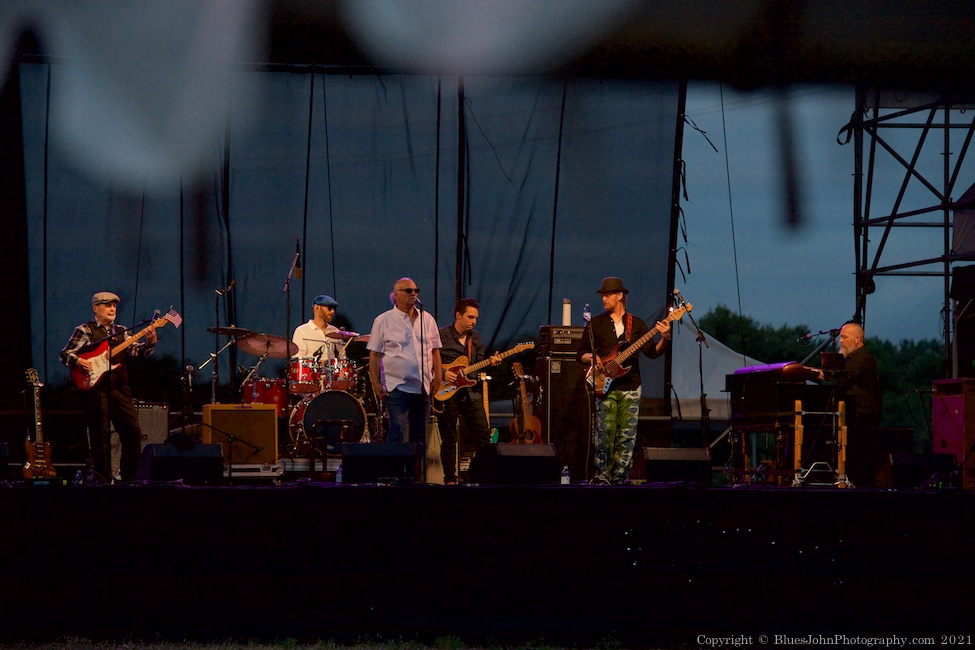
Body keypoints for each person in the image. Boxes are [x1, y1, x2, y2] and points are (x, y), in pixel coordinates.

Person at [576, 277, 672, 484]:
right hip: (604, 388)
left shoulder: (636, 324)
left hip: (631, 387)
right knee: (604, 437)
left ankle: (620, 481)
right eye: (603, 295)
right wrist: (592, 358)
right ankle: (602, 479)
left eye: (608, 295)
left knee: (627, 438)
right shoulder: (596, 324)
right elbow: (580, 354)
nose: (604, 299)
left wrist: (664, 338)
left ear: (620, 296)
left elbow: (653, 353)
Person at [59, 291, 157, 483]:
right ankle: (102, 479)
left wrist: (150, 341)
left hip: (119, 387)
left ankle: (129, 478)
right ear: (95, 308)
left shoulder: (121, 331)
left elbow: (137, 351)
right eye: (107, 305)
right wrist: (78, 360)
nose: (112, 308)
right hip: (95, 388)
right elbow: (65, 354)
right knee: (100, 435)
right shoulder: (85, 330)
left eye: (114, 305)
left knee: (133, 431)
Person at [367, 277, 443, 448]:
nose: (414, 294)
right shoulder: (383, 320)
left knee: (420, 435)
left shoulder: (427, 319)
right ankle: (396, 472)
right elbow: (374, 355)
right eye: (409, 291)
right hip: (397, 387)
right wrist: (376, 383)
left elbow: (435, 350)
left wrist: (438, 378)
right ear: (396, 295)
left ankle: (416, 473)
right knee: (398, 431)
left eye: (416, 291)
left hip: (423, 385)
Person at [436, 298, 502, 485]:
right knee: (449, 439)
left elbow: (477, 368)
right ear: (458, 315)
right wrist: (444, 372)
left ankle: (482, 476)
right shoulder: (441, 335)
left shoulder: (476, 339)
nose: (474, 321)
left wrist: (492, 363)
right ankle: (450, 479)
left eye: (476, 318)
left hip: (470, 393)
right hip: (446, 392)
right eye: (470, 317)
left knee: (483, 434)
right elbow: (427, 361)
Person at [819, 321, 883, 487]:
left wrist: (814, 373)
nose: (841, 341)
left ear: (857, 338)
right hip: (854, 416)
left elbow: (842, 376)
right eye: (840, 337)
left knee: (860, 459)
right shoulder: (851, 359)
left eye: (845, 337)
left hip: (863, 418)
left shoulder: (864, 358)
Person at [291, 294, 344, 360]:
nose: (333, 311)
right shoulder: (301, 331)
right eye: (329, 308)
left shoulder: (335, 330)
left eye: (334, 308)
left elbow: (343, 357)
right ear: (317, 308)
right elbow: (298, 359)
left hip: (332, 370)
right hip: (311, 370)